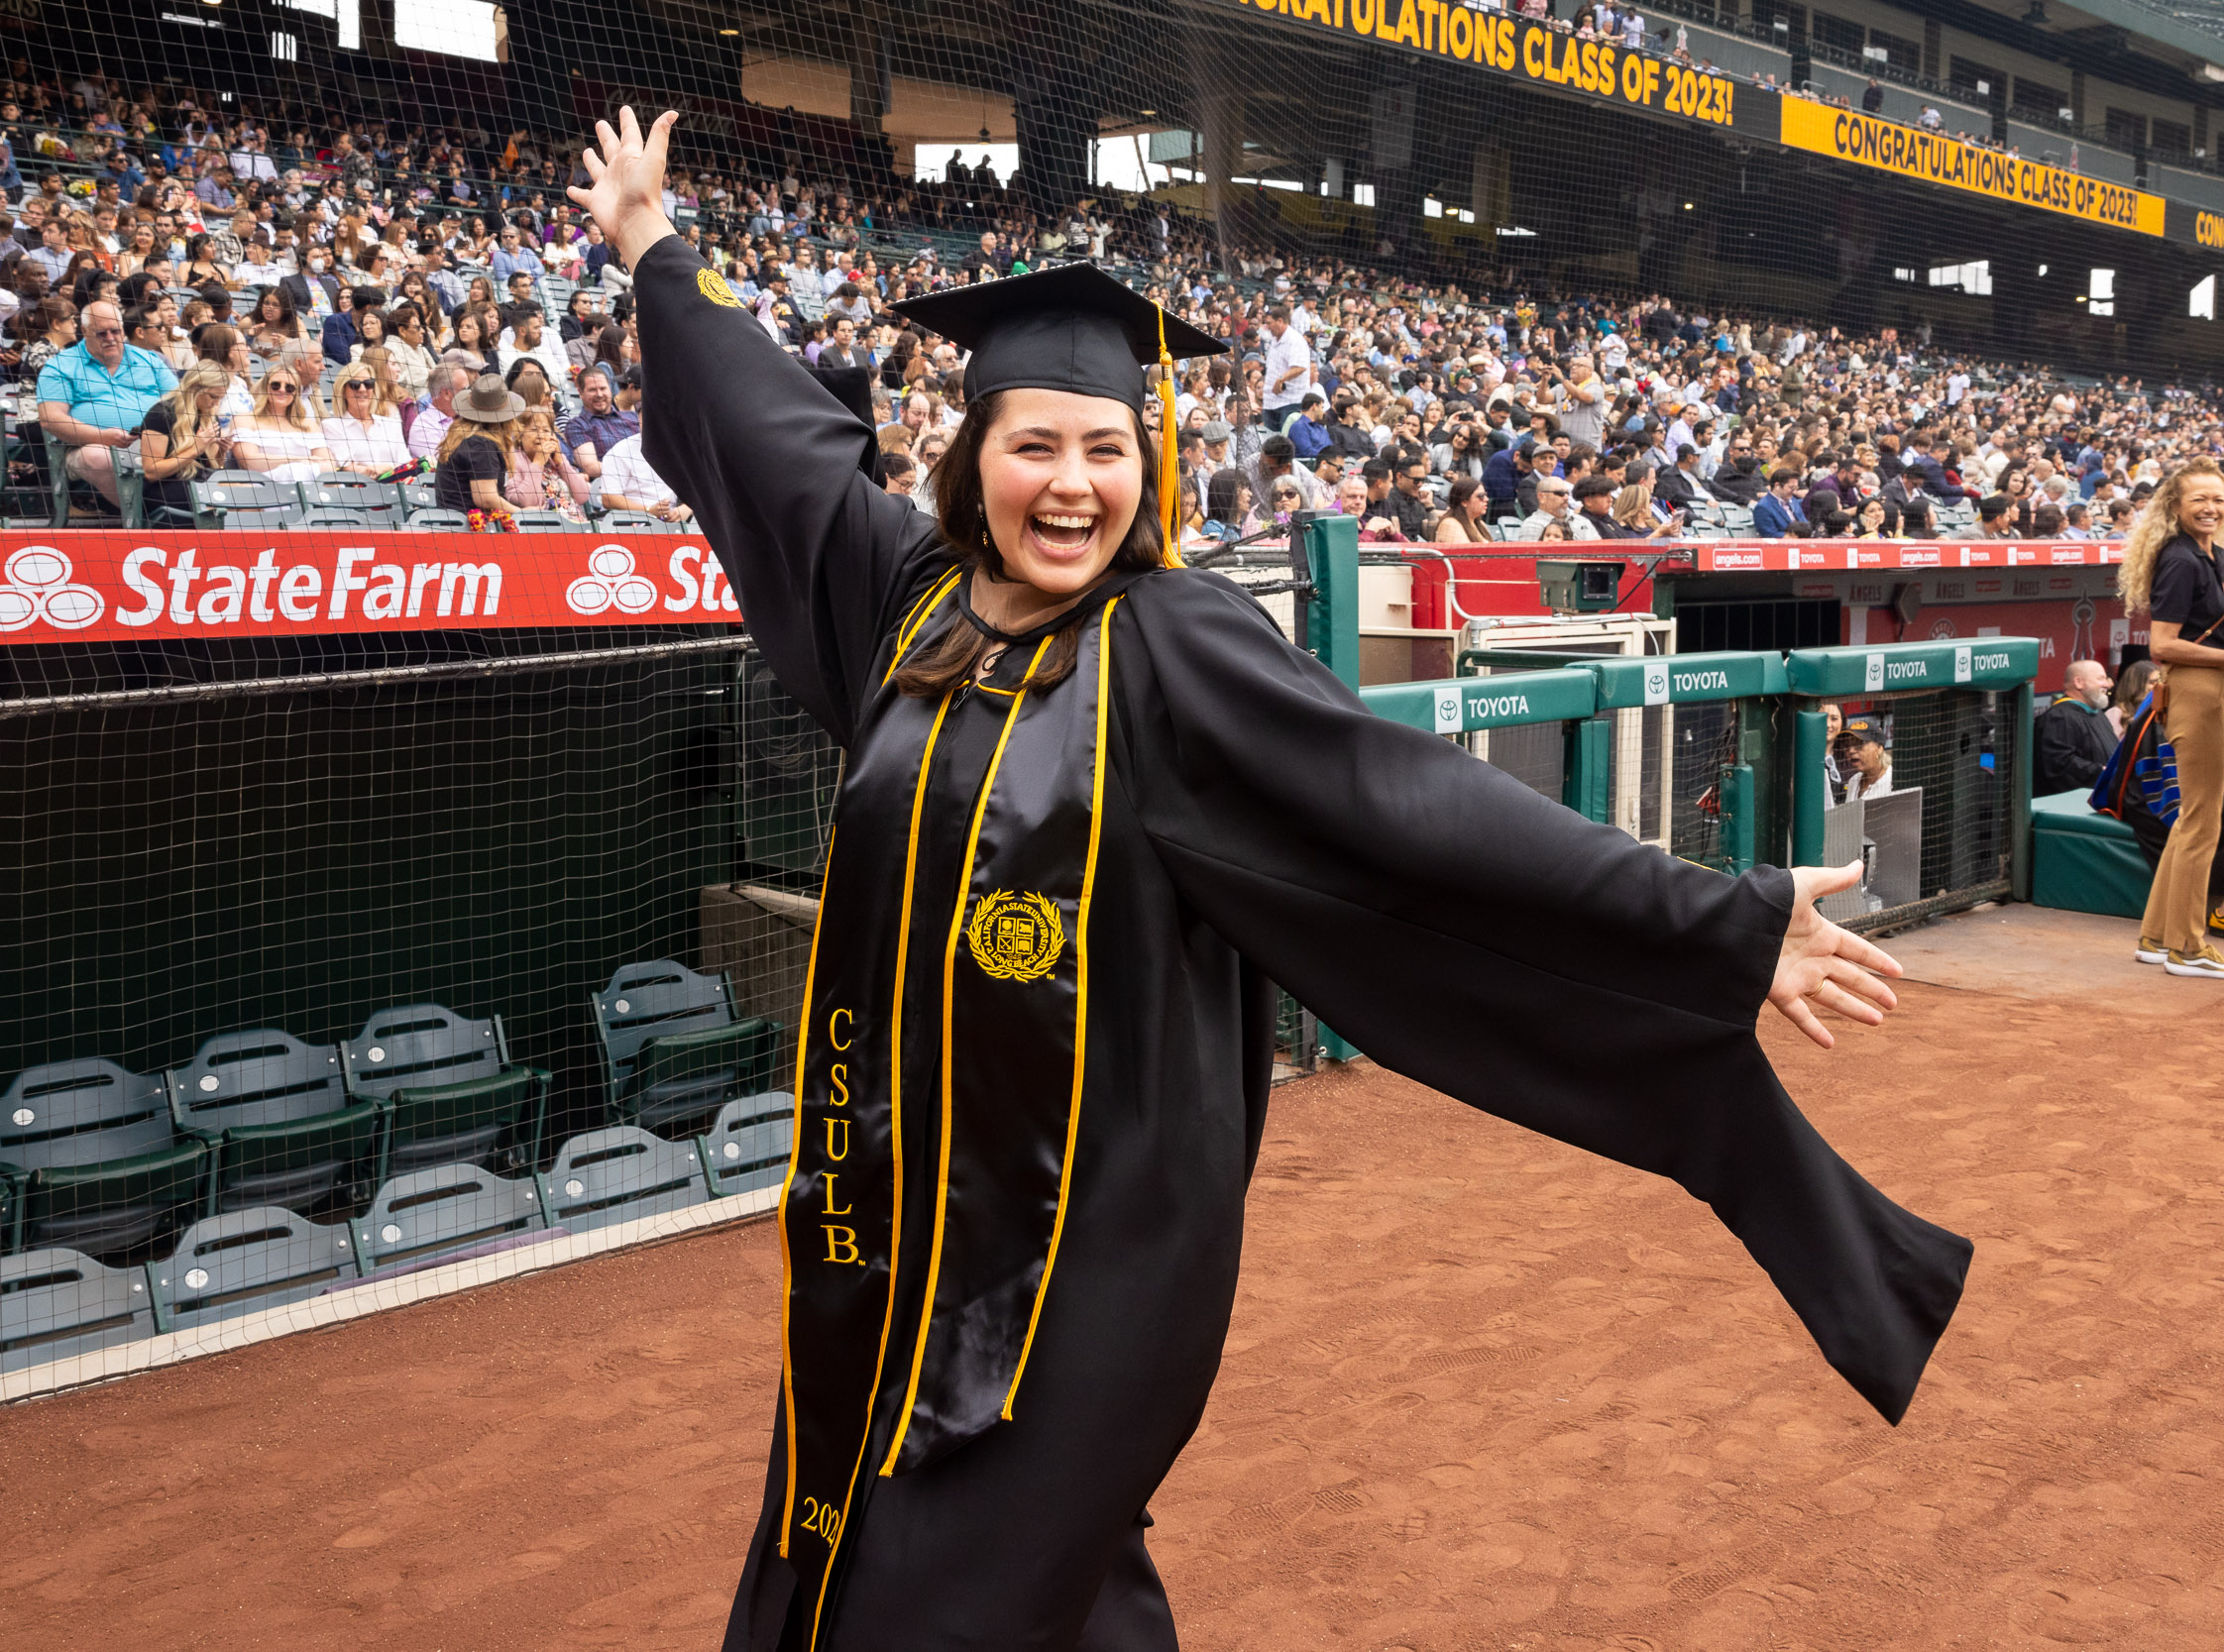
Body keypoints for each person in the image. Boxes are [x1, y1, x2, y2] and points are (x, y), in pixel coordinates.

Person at [573, 106, 1964, 1652]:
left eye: (1106, 448)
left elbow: (1418, 815)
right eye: (1035, 443)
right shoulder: (902, 606)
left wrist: (1723, 920)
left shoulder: (1167, 650)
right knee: (1023, 1582)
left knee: (933, 1597)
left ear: (1143, 462)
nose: (1072, 484)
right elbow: (770, 431)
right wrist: (652, 243)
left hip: (1085, 1258)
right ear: (975, 456)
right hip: (896, 1233)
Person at [2120, 458, 2224, 980]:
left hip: (2215, 687)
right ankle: (2189, 947)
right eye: (2199, 499)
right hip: (2199, 689)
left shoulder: (2215, 554)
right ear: (2175, 506)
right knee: (2202, 822)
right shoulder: (2181, 559)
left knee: (2193, 820)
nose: (2211, 507)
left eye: (2218, 499)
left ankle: (2157, 936)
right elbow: (2162, 644)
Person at [38, 298, 177, 504]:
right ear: (84, 331)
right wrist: (102, 436)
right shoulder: (60, 365)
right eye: (101, 333)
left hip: (155, 443)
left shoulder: (150, 360)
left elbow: (181, 403)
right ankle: (142, 514)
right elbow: (51, 419)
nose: (110, 338)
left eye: (116, 331)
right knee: (97, 458)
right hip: (90, 446)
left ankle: (169, 511)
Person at [135, 361, 236, 522]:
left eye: (221, 398)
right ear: (195, 388)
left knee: (246, 491)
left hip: (198, 483)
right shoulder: (161, 414)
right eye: (213, 397)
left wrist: (221, 451)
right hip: (165, 488)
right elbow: (151, 472)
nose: (216, 404)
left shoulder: (207, 415)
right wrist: (196, 448)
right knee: (227, 499)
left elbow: (211, 466)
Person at [431, 372, 522, 515]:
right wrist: (523, 513)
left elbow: (508, 477)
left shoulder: (474, 438)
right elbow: (485, 498)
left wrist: (507, 441)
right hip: (468, 529)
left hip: (461, 524)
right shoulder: (480, 445)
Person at [229, 363, 337, 482]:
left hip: (309, 489)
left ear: (296, 393)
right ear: (266, 387)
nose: (282, 390)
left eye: (289, 387)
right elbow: (249, 462)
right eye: (275, 385)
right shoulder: (244, 420)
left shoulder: (309, 425)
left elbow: (328, 465)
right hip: (263, 489)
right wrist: (296, 461)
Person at [2033, 660, 2116, 795]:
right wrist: (2102, 771)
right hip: (2072, 806)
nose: (2107, 684)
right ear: (2079, 682)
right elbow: (2060, 764)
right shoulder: (2059, 717)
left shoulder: (2098, 714)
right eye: (2100, 678)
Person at [320, 361, 413, 475]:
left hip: (397, 485)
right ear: (343, 391)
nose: (362, 389)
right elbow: (346, 466)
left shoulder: (392, 424)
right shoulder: (332, 426)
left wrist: (387, 468)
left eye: (368, 383)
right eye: (355, 384)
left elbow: (406, 463)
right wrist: (375, 472)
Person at [1833, 716, 1894, 805]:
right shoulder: (1853, 781)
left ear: (1879, 748)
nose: (1851, 751)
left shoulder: (1892, 779)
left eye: (1859, 744)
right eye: (1847, 746)